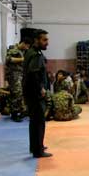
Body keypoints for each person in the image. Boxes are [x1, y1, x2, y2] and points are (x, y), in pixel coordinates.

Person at [23, 29, 52, 158]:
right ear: (36, 40)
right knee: (39, 121)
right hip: (35, 93)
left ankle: (35, 146)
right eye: (44, 40)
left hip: (30, 92)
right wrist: (40, 88)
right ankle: (38, 150)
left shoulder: (31, 52)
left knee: (34, 121)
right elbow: (33, 73)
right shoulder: (35, 55)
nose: (47, 43)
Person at [6, 38, 31, 122]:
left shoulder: (22, 51)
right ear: (23, 43)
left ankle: (19, 111)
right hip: (14, 75)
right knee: (16, 93)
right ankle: (15, 113)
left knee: (20, 93)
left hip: (19, 75)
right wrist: (23, 59)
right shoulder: (13, 49)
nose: (27, 48)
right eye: (27, 46)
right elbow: (8, 59)